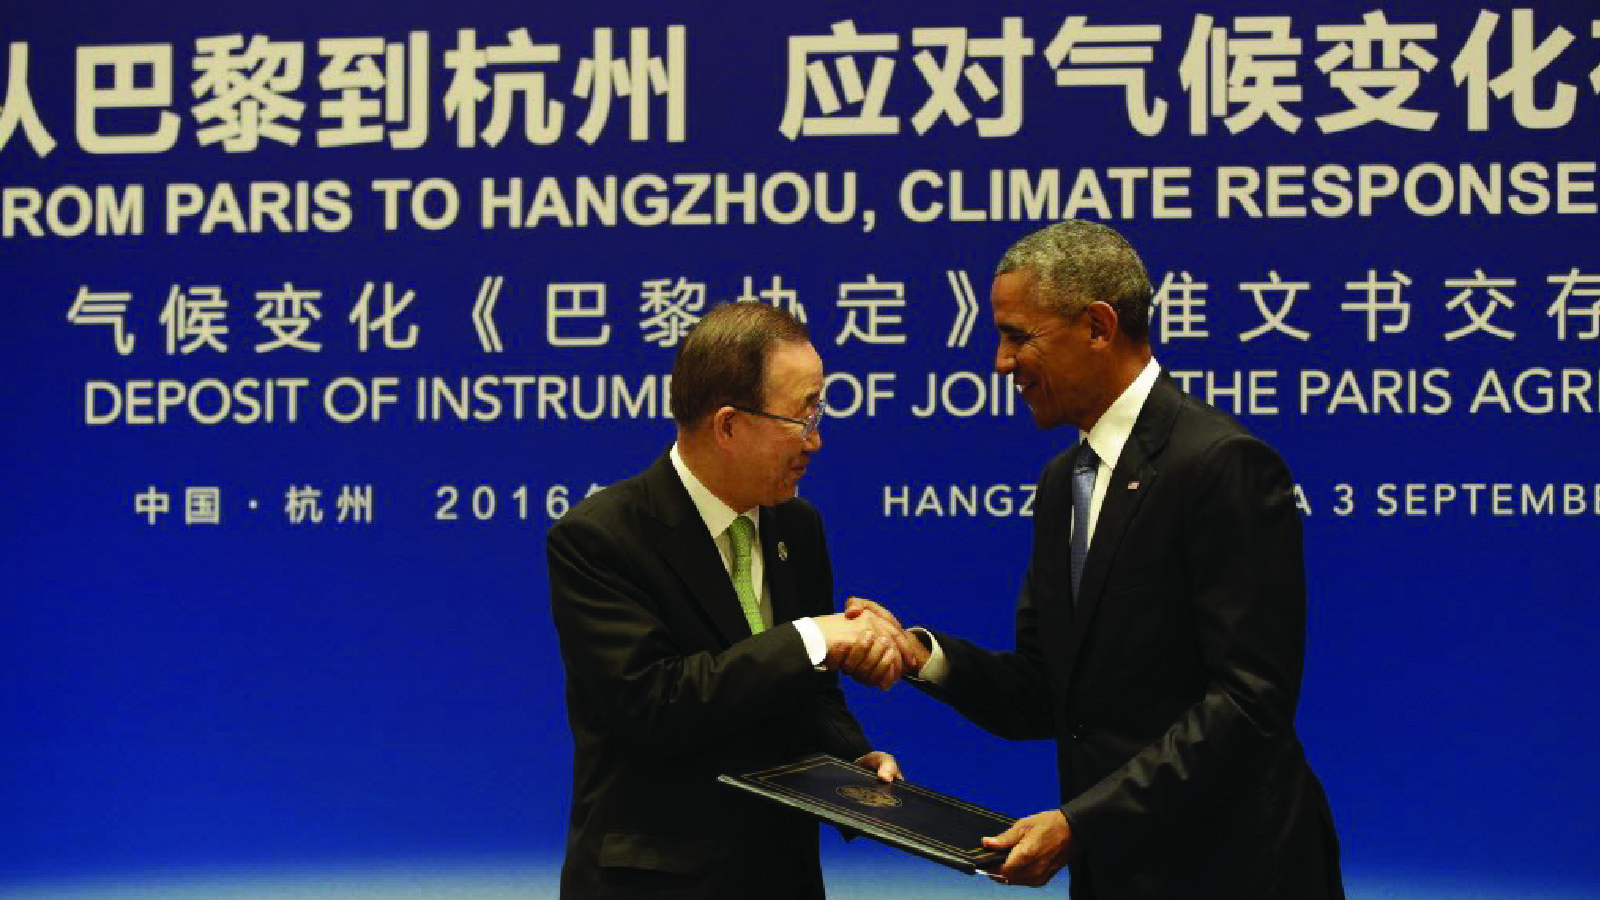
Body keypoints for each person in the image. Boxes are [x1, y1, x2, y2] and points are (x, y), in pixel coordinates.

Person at [855, 220, 1344, 898]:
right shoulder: (1064, 483)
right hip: (1118, 874)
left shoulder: (1220, 464)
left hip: (1233, 870)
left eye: (1018, 335)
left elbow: (1247, 703)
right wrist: (920, 655)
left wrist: (1081, 823)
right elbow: (1049, 694)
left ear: (1098, 325)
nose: (1001, 362)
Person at [547, 301, 913, 899]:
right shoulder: (601, 537)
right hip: (656, 884)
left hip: (781, 877)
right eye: (803, 415)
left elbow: (806, 689)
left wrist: (853, 760)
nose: (817, 440)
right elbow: (655, 705)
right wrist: (814, 638)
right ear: (728, 425)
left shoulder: (798, 525)